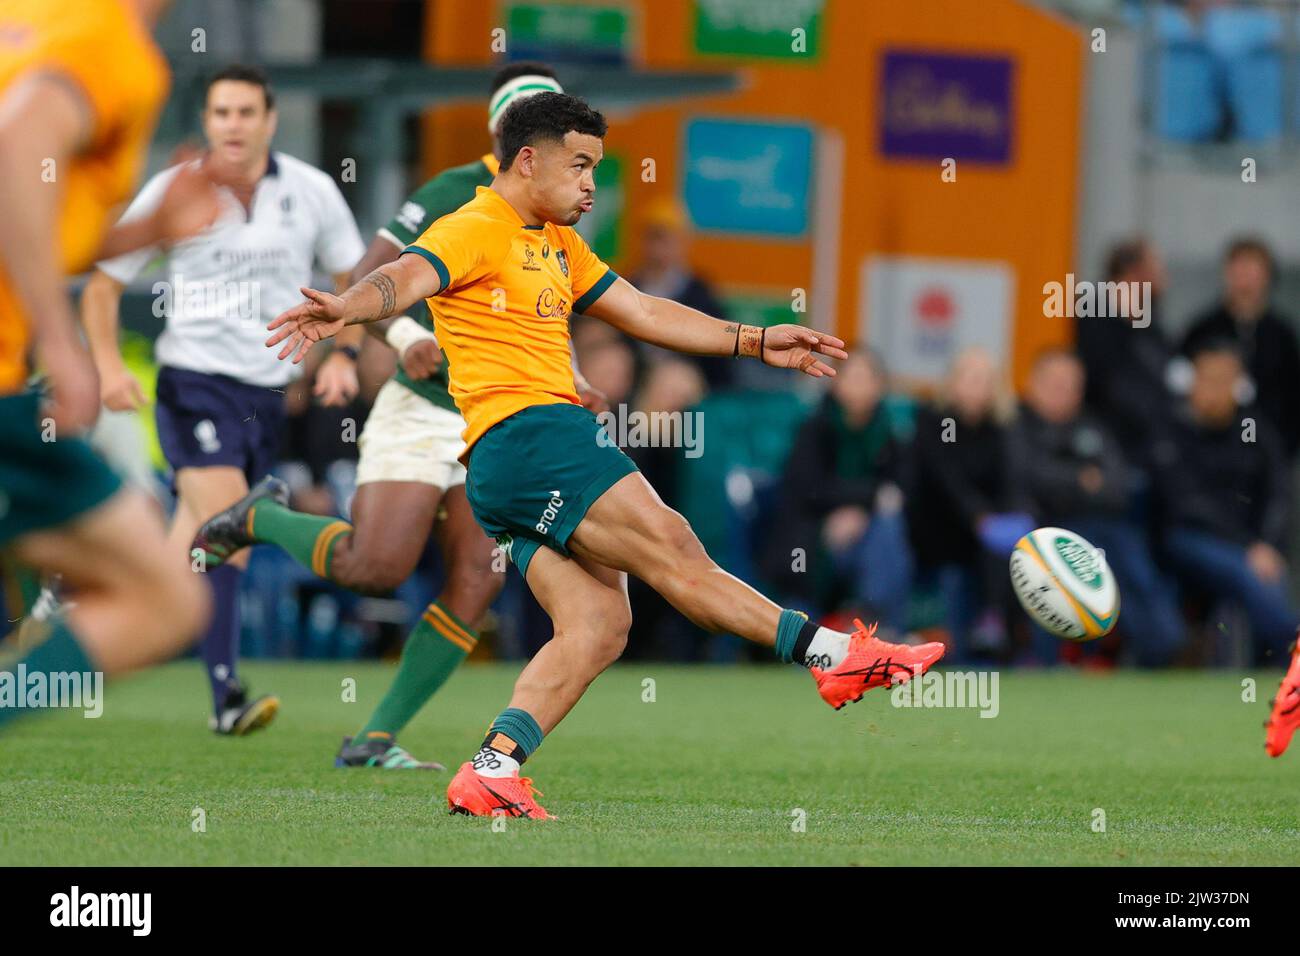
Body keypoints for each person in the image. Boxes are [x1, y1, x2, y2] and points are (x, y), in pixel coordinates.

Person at [255, 91, 945, 818]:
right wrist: (347, 307)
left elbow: (645, 312)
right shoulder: (475, 225)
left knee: (598, 626)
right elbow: (405, 277)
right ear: (528, 160)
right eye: (580, 166)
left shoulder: (557, 241)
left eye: (595, 168)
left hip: (507, 466)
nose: (591, 185)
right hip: (534, 440)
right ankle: (833, 657)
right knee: (674, 545)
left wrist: (755, 340)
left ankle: (492, 768)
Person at [195, 63, 607, 770]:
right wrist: (402, 337)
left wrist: (572, 376)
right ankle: (257, 519)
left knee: (478, 578)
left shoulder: (557, 209)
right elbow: (372, 274)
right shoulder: (454, 191)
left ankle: (373, 739)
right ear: (510, 132)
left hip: (497, 422)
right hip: (424, 408)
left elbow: (538, 313)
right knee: (377, 567)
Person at [81, 64, 366, 734]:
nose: (232, 124)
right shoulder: (175, 189)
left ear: (270, 120)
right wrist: (105, 367)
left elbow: (354, 278)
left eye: (245, 112)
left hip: (268, 396)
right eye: (220, 113)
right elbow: (99, 284)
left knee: (187, 559)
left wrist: (345, 352)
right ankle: (225, 696)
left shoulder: (312, 191)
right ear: (206, 122)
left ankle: (73, 622)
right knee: (236, 529)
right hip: (194, 385)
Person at [0, 0, 214, 728]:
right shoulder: (108, 40)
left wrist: (145, 229)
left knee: (163, 594)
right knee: (163, 601)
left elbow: (26, 206)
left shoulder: (28, 19)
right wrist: (62, 342)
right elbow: (18, 148)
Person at [1006, 349, 1185, 667]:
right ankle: (1043, 660)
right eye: (1056, 383)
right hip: (1042, 530)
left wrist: (1075, 484)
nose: (1066, 392)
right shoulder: (1015, 425)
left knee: (1134, 565)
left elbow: (1118, 487)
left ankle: (1163, 651)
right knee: (1069, 565)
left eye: (1073, 385)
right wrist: (1082, 479)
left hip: (1103, 528)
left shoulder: (1092, 426)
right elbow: (1031, 478)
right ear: (1033, 383)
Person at [1152, 342, 1297, 664]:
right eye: (1208, 379)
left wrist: (1268, 543)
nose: (1214, 390)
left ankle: (1274, 669)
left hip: (1253, 547)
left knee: (1263, 571)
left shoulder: (1255, 430)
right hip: (1187, 539)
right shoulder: (1172, 428)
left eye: (1224, 380)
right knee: (1250, 572)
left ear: (1240, 385)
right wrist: (1249, 546)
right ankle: (1292, 647)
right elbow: (1186, 503)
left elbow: (1279, 493)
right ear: (1192, 382)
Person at [764, 350, 913, 632]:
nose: (859, 386)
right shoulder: (814, 428)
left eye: (867, 378)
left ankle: (879, 624)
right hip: (812, 536)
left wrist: (860, 514)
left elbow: (900, 493)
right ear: (836, 383)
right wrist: (863, 501)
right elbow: (807, 490)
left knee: (889, 528)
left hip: (867, 538)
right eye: (852, 377)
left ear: (879, 386)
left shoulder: (890, 433)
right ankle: (871, 626)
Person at [906, 348, 1025, 662]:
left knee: (1014, 546)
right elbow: (946, 482)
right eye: (971, 378)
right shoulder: (932, 421)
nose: (979, 387)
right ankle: (969, 638)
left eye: (986, 380)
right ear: (953, 383)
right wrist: (980, 519)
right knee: (985, 548)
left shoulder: (1001, 429)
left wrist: (1014, 518)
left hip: (983, 539)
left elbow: (1011, 482)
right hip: (936, 530)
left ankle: (996, 628)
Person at [1180, 237, 1300, 457]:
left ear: (1266, 276)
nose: (1244, 279)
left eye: (1251, 270)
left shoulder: (1282, 334)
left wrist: (1282, 447)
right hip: (1208, 450)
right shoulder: (1203, 329)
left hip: (1270, 449)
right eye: (1238, 269)